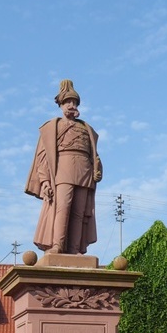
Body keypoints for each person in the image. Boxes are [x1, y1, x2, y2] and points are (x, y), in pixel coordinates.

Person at [25, 79, 102, 254]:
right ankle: (58, 245)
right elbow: (43, 157)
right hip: (62, 170)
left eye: (74, 102)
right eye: (68, 102)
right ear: (60, 105)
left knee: (79, 212)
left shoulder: (87, 128)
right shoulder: (53, 126)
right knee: (63, 207)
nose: (71, 105)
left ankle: (75, 249)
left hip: (84, 171)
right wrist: (45, 181)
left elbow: (95, 155)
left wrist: (98, 170)